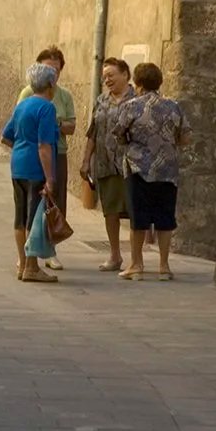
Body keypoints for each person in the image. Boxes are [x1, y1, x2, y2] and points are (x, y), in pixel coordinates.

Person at [114, 63, 192, 281]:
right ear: (159, 82)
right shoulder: (174, 106)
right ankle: (164, 266)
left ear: (137, 83)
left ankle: (136, 265)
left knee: (138, 218)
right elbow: (186, 137)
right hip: (167, 170)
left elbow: (119, 134)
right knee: (165, 218)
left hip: (138, 168)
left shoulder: (131, 107)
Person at [16, 46, 76, 269]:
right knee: (29, 206)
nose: (53, 73)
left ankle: (49, 251)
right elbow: (20, 125)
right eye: (48, 68)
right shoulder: (27, 93)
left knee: (54, 203)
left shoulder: (65, 96)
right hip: (35, 154)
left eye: (57, 69)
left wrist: (56, 125)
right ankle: (26, 257)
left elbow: (72, 126)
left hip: (57, 152)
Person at [1, 63, 62, 284]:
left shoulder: (23, 105)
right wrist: (50, 178)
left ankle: (22, 264)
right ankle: (32, 267)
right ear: (50, 85)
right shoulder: (46, 108)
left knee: (20, 216)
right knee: (33, 217)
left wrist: (21, 147)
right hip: (36, 169)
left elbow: (6, 136)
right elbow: (44, 146)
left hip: (18, 166)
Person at [80, 57, 136, 272]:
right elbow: (92, 133)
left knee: (134, 210)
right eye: (104, 77)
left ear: (125, 74)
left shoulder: (137, 100)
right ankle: (115, 255)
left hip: (130, 165)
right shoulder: (101, 101)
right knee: (110, 211)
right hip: (105, 164)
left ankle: (136, 258)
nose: (107, 80)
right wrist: (86, 161)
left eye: (111, 75)